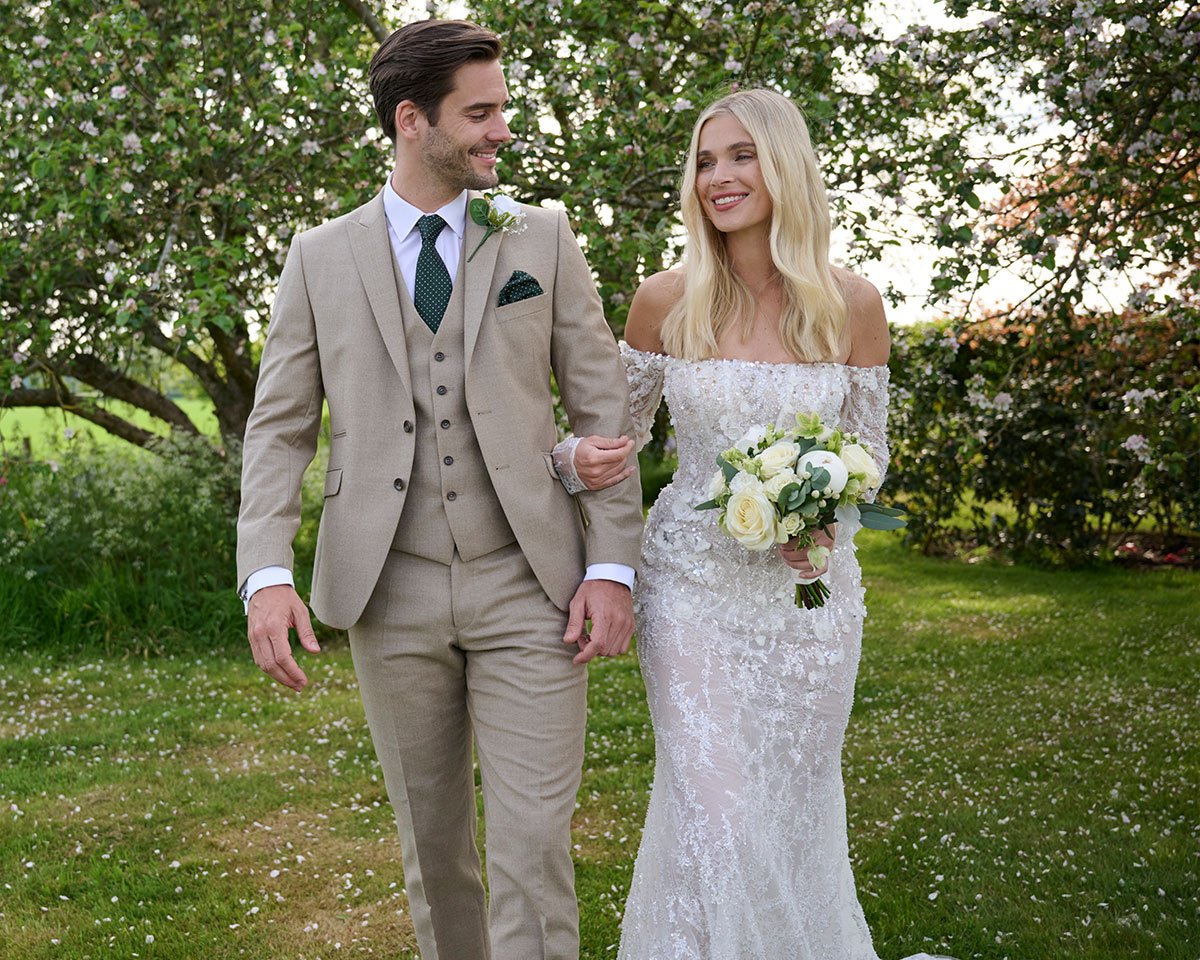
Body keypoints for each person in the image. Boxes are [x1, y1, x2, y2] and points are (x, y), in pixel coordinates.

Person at [235, 20, 644, 960]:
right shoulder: (318, 257)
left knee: (535, 847)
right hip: (391, 588)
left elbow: (601, 409)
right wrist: (266, 574)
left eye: (503, 107)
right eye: (482, 112)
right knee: (433, 846)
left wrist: (612, 564)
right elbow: (281, 427)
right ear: (413, 119)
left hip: (529, 582)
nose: (503, 128)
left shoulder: (541, 235)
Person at [553, 88, 954, 959]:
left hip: (810, 603)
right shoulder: (664, 300)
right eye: (705, 161)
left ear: (786, 167)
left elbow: (868, 457)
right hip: (692, 591)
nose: (719, 178)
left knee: (793, 807)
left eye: (741, 156)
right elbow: (601, 443)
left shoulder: (853, 304)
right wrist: (567, 462)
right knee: (716, 808)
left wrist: (817, 514)